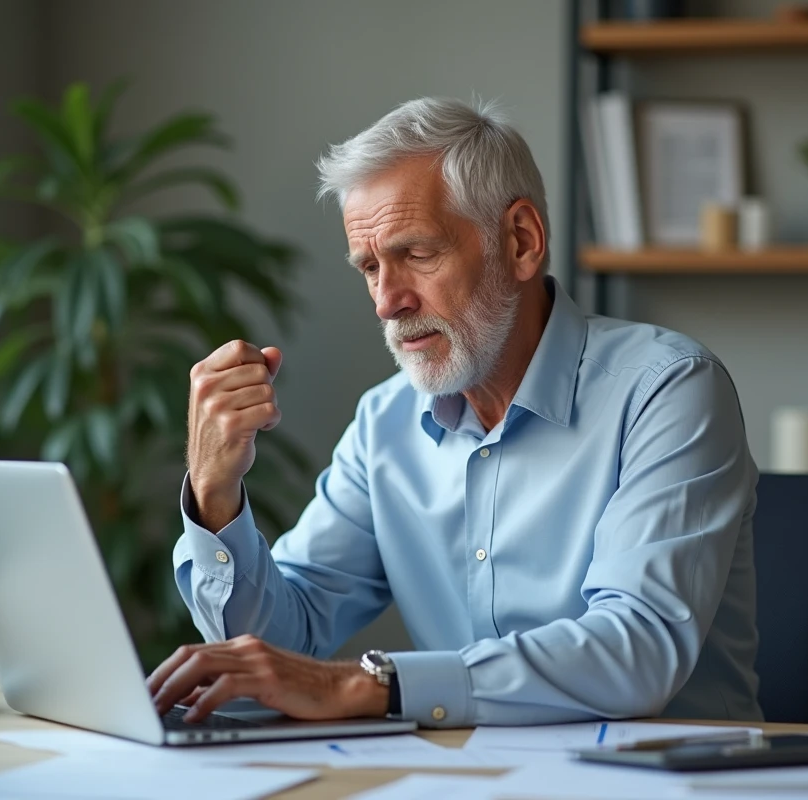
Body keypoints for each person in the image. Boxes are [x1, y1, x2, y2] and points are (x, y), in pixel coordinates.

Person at [147, 97, 762, 728]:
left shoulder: (669, 389)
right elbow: (283, 643)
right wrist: (215, 495)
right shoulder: (384, 423)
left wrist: (374, 686)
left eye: (416, 253)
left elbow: (636, 650)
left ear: (521, 242)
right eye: (369, 267)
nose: (388, 301)